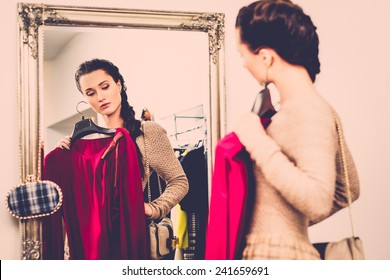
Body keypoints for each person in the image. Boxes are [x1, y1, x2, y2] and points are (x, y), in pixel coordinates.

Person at [233, 0, 360, 259]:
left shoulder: (308, 109)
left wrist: (258, 141)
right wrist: (288, 222)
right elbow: (348, 188)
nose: (243, 63)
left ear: (266, 56)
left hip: (279, 258)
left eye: (242, 54)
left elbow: (317, 200)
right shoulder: (309, 108)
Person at [49, 58, 189, 259]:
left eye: (104, 87)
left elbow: (179, 181)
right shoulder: (84, 143)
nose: (100, 97)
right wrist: (65, 153)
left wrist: (154, 208)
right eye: (90, 93)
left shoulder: (147, 132)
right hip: (92, 244)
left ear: (119, 84)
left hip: (131, 240)